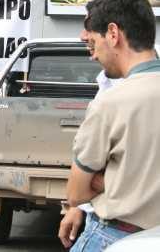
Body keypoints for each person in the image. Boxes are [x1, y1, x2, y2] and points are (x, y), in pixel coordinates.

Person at [64, 0, 160, 251]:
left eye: (93, 42)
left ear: (113, 34)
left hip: (116, 236)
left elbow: (75, 193)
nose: (93, 54)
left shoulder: (111, 103)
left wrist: (116, 180)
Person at [59, 71, 122, 249]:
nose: (84, 41)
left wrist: (108, 184)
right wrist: (78, 207)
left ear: (114, 40)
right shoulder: (107, 84)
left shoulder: (119, 99)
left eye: (94, 40)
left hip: (117, 229)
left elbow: (76, 192)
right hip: (101, 221)